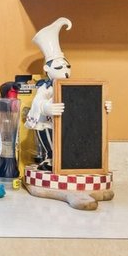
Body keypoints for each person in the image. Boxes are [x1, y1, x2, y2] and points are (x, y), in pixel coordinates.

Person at [25, 17, 72, 172]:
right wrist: (46, 108)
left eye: (67, 67)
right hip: (49, 122)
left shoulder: (72, 87)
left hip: (66, 125)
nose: (65, 71)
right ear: (47, 68)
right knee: (47, 135)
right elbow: (37, 102)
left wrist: (102, 106)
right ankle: (49, 158)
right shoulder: (45, 88)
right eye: (59, 67)